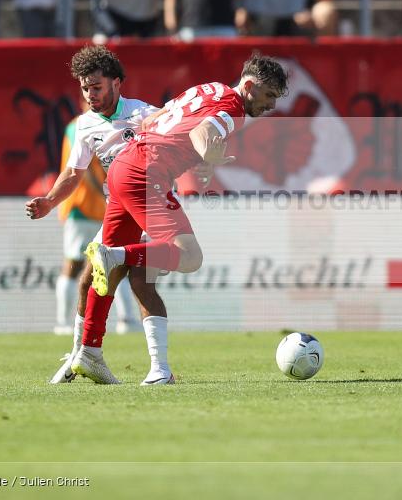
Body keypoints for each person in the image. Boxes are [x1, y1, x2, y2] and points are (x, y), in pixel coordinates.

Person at [73, 54, 288, 383]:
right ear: (249, 86)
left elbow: (155, 120)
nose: (272, 105)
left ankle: (90, 351)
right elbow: (202, 133)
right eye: (270, 95)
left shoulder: (209, 89)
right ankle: (116, 255)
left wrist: (202, 158)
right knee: (189, 256)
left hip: (123, 166)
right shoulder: (234, 108)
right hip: (147, 172)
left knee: (113, 272)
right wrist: (207, 153)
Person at [26, 45, 183, 385]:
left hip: (147, 204)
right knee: (88, 279)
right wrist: (50, 202)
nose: (90, 95)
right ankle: (80, 356)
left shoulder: (143, 114)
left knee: (141, 282)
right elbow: (72, 174)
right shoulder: (85, 125)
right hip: (117, 208)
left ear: (117, 84)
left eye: (96, 87)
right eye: (85, 88)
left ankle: (161, 368)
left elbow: (178, 134)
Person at [53, 97, 139, 337]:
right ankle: (62, 323)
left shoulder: (108, 125)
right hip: (80, 205)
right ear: (80, 102)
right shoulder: (78, 126)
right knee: (74, 263)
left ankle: (126, 319)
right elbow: (81, 169)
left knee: (112, 261)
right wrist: (108, 198)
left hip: (105, 206)